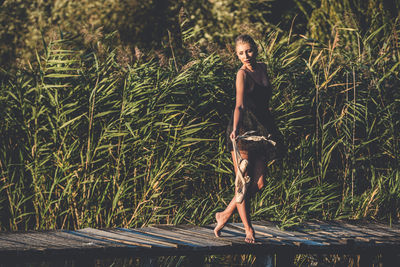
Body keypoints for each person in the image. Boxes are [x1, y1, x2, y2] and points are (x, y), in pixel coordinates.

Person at [214, 34, 284, 243]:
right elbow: (239, 105)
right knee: (242, 183)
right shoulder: (242, 74)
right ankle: (248, 229)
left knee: (260, 183)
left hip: (262, 130)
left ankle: (225, 213)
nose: (246, 56)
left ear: (256, 49)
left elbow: (263, 100)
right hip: (243, 130)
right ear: (237, 55)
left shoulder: (262, 68)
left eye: (249, 51)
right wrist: (235, 130)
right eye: (241, 53)